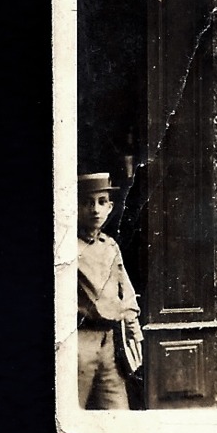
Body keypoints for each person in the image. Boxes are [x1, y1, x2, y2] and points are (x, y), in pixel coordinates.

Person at [76, 172, 142, 409]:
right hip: (79, 341)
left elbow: (126, 291)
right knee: (73, 409)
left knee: (117, 411)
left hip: (111, 342)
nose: (95, 209)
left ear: (111, 207)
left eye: (102, 202)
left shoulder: (110, 246)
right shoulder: (68, 249)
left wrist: (135, 333)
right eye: (87, 202)